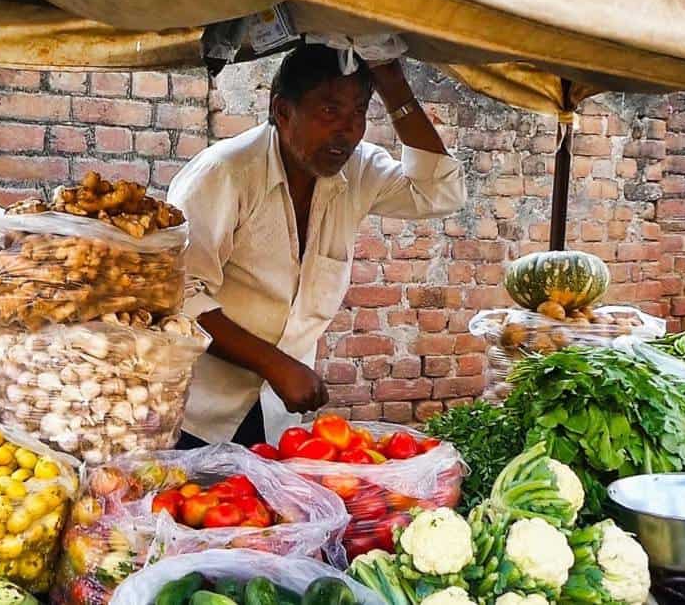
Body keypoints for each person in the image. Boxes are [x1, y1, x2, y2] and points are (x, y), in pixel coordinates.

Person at [166, 43, 466, 448]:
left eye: (358, 113)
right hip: (197, 413)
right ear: (283, 112)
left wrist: (393, 83)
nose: (347, 130)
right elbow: (177, 294)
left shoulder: (359, 170)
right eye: (329, 111)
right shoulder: (225, 174)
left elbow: (441, 193)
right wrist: (275, 364)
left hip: (278, 418)